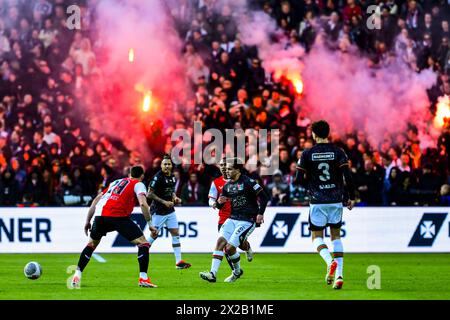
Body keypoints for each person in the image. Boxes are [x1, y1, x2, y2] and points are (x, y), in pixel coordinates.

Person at [71, 166, 158, 288]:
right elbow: (143, 203)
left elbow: (96, 199)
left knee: (91, 245)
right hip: (119, 216)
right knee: (143, 243)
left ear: (129, 174)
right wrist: (150, 225)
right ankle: (143, 278)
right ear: (142, 176)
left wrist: (87, 220)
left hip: (100, 216)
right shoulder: (138, 184)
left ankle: (77, 275)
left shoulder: (115, 182)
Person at [295, 120, 356, 290]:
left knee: (317, 237)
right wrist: (351, 196)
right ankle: (339, 276)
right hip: (336, 199)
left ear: (313, 134)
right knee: (336, 236)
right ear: (328, 133)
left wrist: (311, 183)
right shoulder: (338, 152)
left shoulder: (307, 153)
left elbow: (298, 180)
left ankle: (330, 262)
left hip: (317, 200)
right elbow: (348, 177)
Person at [200, 158, 269, 283]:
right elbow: (220, 204)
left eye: (229, 169)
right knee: (220, 242)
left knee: (230, 248)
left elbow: (264, 197)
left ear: (237, 170)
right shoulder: (227, 186)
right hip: (232, 218)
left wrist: (260, 213)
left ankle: (236, 272)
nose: (227, 171)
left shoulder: (249, 182)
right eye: (226, 168)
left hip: (247, 220)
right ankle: (212, 274)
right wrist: (218, 203)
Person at [208, 157, 254, 270]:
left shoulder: (239, 180)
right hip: (224, 217)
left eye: (225, 165)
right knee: (224, 245)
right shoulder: (216, 182)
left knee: (238, 245)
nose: (223, 168)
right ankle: (235, 271)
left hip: (240, 216)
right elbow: (211, 198)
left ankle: (247, 248)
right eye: (221, 165)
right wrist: (214, 203)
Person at [147, 155, 191, 269]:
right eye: (165, 164)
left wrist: (175, 198)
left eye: (169, 164)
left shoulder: (172, 177)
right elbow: (149, 194)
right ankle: (143, 250)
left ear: (171, 166)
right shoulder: (157, 178)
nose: (167, 166)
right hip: (158, 211)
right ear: (161, 165)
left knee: (175, 233)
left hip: (170, 210)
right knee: (154, 234)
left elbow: (171, 192)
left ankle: (178, 262)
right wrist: (163, 202)